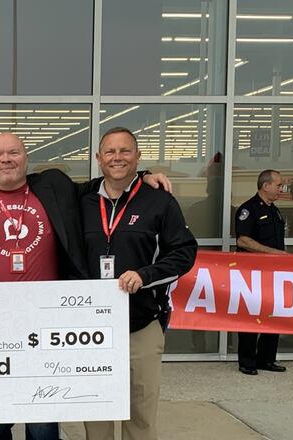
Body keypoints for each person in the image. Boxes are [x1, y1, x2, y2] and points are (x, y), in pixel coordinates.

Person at [0, 131, 171, 440]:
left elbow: (102, 184)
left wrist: (141, 177)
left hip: (46, 326)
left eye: (13, 152)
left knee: (42, 422)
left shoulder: (53, 185)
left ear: (26, 158)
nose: (6, 160)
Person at [80, 127, 197, 440]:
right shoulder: (84, 199)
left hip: (141, 324)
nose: (117, 158)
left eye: (125, 151)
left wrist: (145, 275)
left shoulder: (159, 202)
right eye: (110, 152)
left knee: (141, 415)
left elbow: (184, 253)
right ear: (98, 159)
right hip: (91, 329)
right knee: (97, 413)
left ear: (137, 156)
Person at [235, 169, 288, 375]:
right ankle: (247, 361)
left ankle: (266, 359)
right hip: (252, 274)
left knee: (273, 314)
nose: (281, 189)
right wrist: (273, 253)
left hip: (274, 274)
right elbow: (243, 240)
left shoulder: (275, 210)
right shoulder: (248, 209)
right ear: (266, 186)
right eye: (278, 185)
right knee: (251, 315)